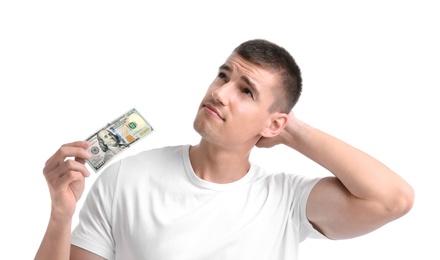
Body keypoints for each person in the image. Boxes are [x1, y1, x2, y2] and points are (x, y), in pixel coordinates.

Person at [35, 39, 414, 260]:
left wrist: (292, 131)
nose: (219, 92)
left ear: (275, 123)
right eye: (223, 75)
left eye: (245, 91)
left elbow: (393, 199)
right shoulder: (126, 178)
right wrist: (59, 215)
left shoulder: (286, 201)